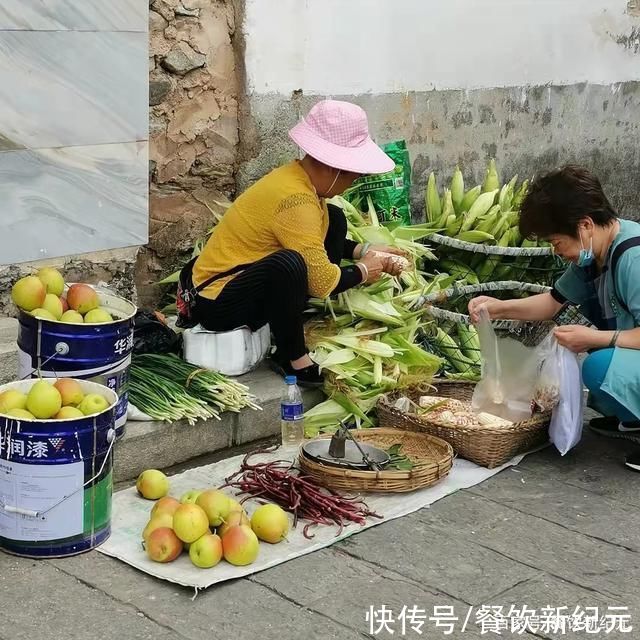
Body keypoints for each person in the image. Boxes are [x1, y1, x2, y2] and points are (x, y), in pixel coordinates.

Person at [190, 99, 406, 388]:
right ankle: (293, 356)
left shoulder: (300, 181)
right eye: (355, 174)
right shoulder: (295, 199)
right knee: (288, 265)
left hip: (244, 284)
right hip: (217, 302)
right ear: (335, 167)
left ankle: (290, 325)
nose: (354, 181)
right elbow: (320, 281)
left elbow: (310, 241)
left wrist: (363, 251)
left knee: (334, 217)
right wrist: (365, 271)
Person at [468, 165, 640, 472]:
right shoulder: (593, 255)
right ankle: (632, 420)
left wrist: (595, 338)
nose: (556, 251)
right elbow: (552, 303)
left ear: (585, 225)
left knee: (599, 364)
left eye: (557, 242)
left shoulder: (633, 257)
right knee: (599, 358)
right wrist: (497, 307)